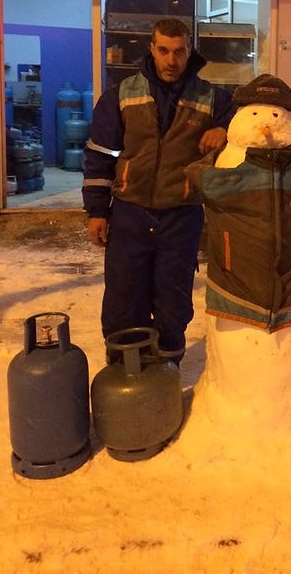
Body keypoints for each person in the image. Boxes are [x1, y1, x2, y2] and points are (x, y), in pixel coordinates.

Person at [82, 18, 233, 364]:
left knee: (173, 303)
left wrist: (224, 129)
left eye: (179, 51)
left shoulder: (212, 99)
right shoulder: (121, 95)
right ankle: (124, 374)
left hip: (181, 216)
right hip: (129, 214)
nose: (171, 60)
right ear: (151, 48)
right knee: (123, 300)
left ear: (189, 50)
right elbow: (99, 156)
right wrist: (96, 212)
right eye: (164, 50)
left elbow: (244, 121)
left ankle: (165, 376)